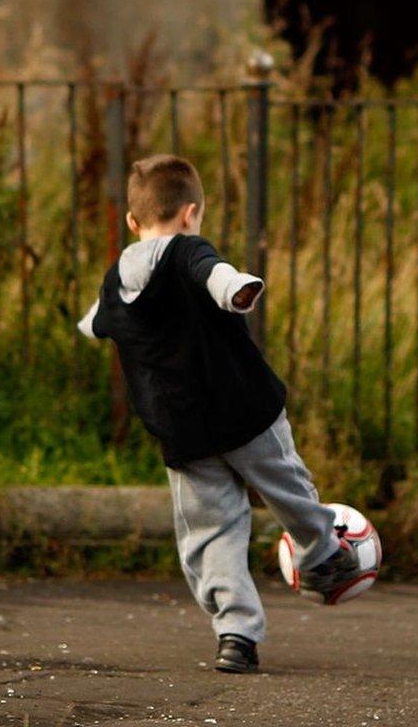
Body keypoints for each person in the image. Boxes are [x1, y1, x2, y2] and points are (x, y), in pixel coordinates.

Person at [77, 154, 363, 674]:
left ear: (132, 223)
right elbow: (216, 275)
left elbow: (99, 322)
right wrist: (239, 288)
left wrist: (98, 324)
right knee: (287, 486)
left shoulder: (117, 276)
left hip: (181, 430)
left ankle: (236, 635)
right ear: (190, 213)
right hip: (244, 410)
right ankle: (322, 554)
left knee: (212, 532)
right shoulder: (189, 251)